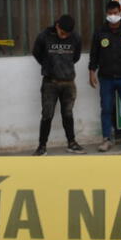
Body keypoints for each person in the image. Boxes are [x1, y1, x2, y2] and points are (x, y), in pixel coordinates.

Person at [89, 1, 121, 153]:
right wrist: (92, 72)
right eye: (110, 13)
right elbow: (94, 54)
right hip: (106, 78)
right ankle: (106, 139)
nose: (113, 16)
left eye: (115, 13)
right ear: (106, 14)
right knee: (106, 109)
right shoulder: (99, 32)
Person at [31, 15, 85, 156]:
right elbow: (36, 53)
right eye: (62, 32)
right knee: (47, 115)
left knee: (68, 114)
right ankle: (42, 147)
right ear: (57, 26)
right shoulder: (44, 36)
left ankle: (71, 143)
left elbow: (76, 57)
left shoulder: (76, 38)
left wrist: (64, 66)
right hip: (50, 83)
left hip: (68, 82)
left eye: (67, 34)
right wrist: (49, 65)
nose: (64, 36)